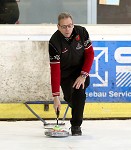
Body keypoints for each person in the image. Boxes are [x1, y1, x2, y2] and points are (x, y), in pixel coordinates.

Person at [48, 12, 94, 136]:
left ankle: (76, 126)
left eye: (70, 25)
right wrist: (56, 97)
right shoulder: (54, 42)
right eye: (64, 26)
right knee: (72, 100)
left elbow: (90, 54)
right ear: (58, 27)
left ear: (73, 24)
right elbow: (55, 69)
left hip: (80, 73)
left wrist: (83, 75)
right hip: (65, 75)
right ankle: (76, 105)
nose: (67, 29)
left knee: (79, 93)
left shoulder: (82, 32)